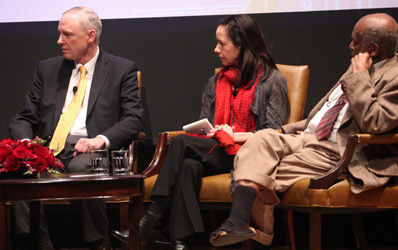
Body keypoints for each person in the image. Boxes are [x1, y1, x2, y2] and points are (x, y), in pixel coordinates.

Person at [209, 13, 398, 247]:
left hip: (336, 150)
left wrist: (359, 76)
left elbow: (377, 122)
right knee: (261, 139)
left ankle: (254, 231)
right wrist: (282, 131)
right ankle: (242, 224)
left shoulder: (391, 75)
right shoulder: (360, 65)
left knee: (256, 171)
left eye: (355, 41)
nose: (350, 45)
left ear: (373, 49)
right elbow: (321, 114)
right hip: (306, 136)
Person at [111, 15, 288, 249]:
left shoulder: (272, 81)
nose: (216, 49)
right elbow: (206, 126)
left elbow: (274, 134)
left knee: (183, 144)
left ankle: (152, 217)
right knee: (188, 166)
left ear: (242, 45)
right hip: (218, 150)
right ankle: (181, 241)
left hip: (250, 158)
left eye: (222, 43)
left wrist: (234, 135)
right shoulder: (216, 82)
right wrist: (214, 131)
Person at [9, 6, 143, 250]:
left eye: (67, 35)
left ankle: (99, 243)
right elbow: (23, 117)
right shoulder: (48, 69)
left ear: (90, 36)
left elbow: (133, 119)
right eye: (60, 33)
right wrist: (28, 146)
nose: (59, 41)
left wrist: (100, 139)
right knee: (22, 169)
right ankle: (38, 243)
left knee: (85, 166)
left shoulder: (121, 69)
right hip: (50, 149)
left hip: (90, 149)